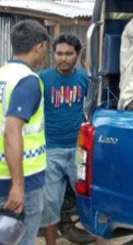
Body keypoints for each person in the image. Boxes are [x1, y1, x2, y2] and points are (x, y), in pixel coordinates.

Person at [0, 20, 50, 245]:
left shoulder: (3, 75)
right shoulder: (27, 81)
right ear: (39, 47)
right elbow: (12, 130)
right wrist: (18, 186)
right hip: (23, 181)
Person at [38, 35, 90, 245]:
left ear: (77, 55)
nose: (63, 58)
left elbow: (95, 108)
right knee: (50, 204)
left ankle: (100, 241)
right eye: (59, 53)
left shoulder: (85, 79)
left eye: (69, 54)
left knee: (88, 201)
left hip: (79, 151)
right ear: (53, 54)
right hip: (51, 150)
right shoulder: (42, 79)